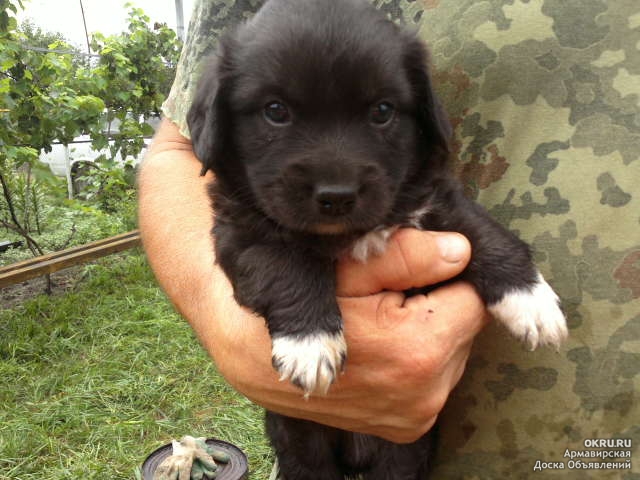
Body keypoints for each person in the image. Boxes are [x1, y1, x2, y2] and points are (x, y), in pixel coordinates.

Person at [139, 0, 640, 478]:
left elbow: (452, 213)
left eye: (380, 113)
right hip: (307, 433)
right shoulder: (249, 210)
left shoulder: (416, 189)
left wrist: (511, 274)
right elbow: (185, 162)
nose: (336, 177)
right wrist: (285, 320)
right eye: (276, 111)